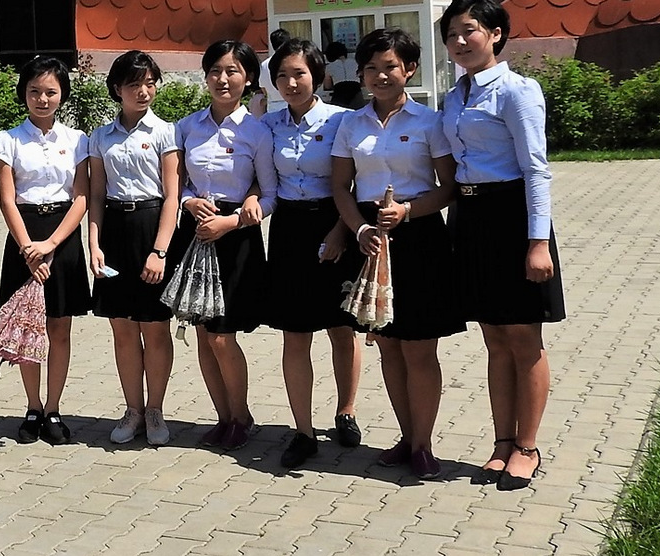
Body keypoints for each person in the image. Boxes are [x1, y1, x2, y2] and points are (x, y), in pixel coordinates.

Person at [438, 0, 565, 492]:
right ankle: (501, 443)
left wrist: (538, 243)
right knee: (493, 338)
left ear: (495, 35)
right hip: (469, 217)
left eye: (469, 30)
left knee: (523, 339)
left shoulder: (517, 90)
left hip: (512, 216)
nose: (460, 41)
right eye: (451, 35)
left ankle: (528, 446)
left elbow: (537, 170)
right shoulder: (455, 96)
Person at [331, 28, 461, 480]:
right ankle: (406, 436)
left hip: (420, 237)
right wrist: (359, 227)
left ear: (410, 69)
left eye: (390, 66)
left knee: (420, 349)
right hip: (369, 240)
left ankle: (423, 444)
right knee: (387, 346)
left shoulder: (430, 122)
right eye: (371, 68)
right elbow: (340, 188)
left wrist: (407, 211)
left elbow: (448, 188)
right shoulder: (350, 124)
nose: (380, 75)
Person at [169, 40, 277, 450]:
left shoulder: (257, 131)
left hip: (235, 238)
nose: (222, 78)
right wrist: (187, 201)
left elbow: (270, 195)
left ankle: (242, 415)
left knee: (222, 336)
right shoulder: (188, 127)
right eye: (215, 70)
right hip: (194, 233)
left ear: (248, 78)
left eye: (232, 71)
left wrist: (231, 222)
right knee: (201, 332)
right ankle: (223, 417)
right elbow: (176, 183)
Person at [262, 40, 358, 469]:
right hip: (288, 231)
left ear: (316, 76)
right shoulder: (268, 126)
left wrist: (340, 231)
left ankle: (346, 412)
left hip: (335, 223)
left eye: (299, 74)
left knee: (341, 326)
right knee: (295, 333)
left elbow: (354, 184)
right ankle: (302, 430)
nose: (290, 83)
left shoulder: (343, 121)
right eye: (282, 75)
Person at [0, 55, 91, 444]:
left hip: (62, 237)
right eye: (35, 91)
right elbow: (7, 200)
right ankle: (32, 407)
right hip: (23, 237)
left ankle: (54, 409)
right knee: (27, 327)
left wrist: (51, 244)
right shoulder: (8, 139)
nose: (43, 99)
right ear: (24, 94)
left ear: (62, 94)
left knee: (59, 329)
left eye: (51, 91)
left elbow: (82, 197)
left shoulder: (78, 139)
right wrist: (29, 249)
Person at [86, 50, 179, 446]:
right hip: (114, 232)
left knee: (155, 328)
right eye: (134, 84)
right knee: (122, 330)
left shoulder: (165, 132)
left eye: (150, 82)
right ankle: (133, 410)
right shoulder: (100, 136)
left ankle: (156, 410)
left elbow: (173, 197)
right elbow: (95, 194)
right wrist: (93, 243)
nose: (143, 91)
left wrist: (159, 251)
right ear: (116, 89)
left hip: (150, 227)